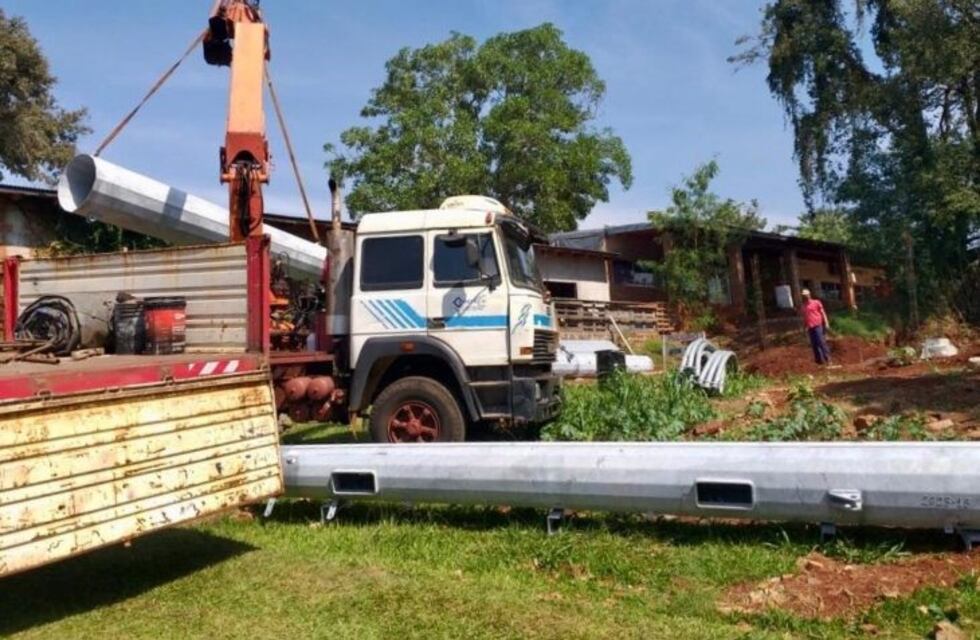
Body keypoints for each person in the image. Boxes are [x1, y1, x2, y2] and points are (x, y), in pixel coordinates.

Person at [800, 288, 831, 365]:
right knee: (814, 344)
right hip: (810, 327)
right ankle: (819, 361)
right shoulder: (803, 306)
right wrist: (804, 328)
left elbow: (822, 312)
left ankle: (828, 359)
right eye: (803, 295)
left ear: (809, 295)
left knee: (821, 342)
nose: (805, 297)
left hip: (817, 325)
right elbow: (805, 317)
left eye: (806, 295)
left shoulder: (816, 302)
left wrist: (826, 322)